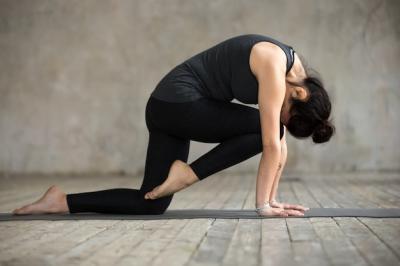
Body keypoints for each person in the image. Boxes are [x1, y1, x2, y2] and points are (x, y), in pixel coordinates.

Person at [12, 34, 335, 217]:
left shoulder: (293, 77)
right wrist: (263, 206)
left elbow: (280, 145)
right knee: (268, 134)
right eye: (286, 114)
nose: (278, 116)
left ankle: (62, 200)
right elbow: (271, 142)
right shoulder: (274, 63)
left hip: (166, 109)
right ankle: (186, 175)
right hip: (180, 103)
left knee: (150, 202)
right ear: (299, 93)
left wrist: (275, 198)